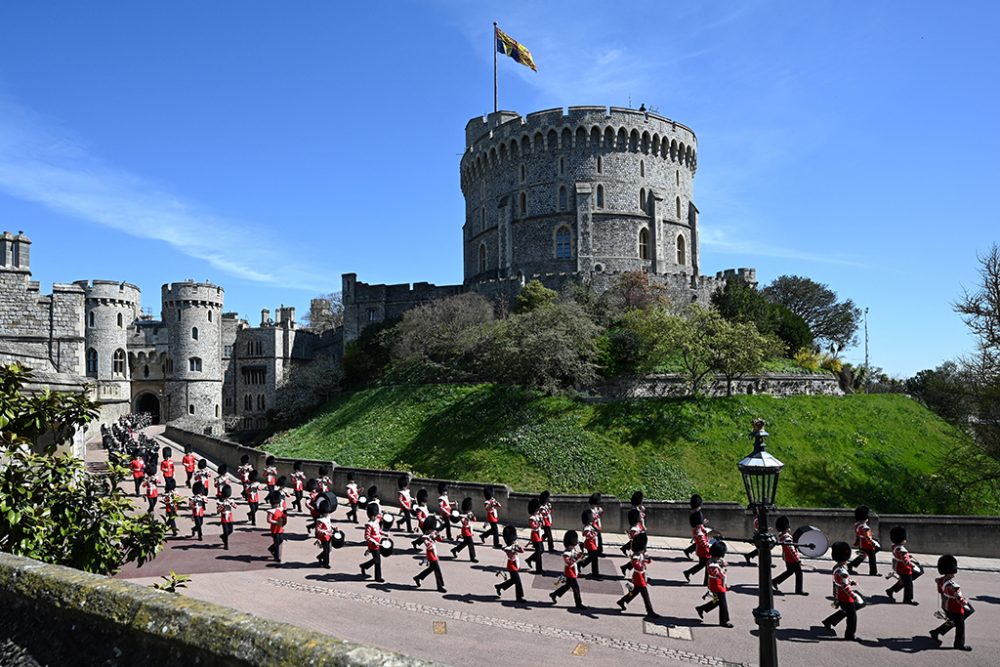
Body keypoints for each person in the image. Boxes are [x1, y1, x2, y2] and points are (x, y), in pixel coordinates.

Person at [930, 554, 974, 651]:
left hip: (946, 606)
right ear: (950, 572)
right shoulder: (954, 586)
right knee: (960, 627)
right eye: (952, 572)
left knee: (953, 622)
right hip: (956, 608)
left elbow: (940, 591)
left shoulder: (940, 581)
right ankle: (959, 644)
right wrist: (965, 602)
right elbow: (959, 599)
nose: (954, 575)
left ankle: (936, 632)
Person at [822, 541, 863, 641]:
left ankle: (829, 621)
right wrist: (853, 596)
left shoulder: (837, 568)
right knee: (852, 617)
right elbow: (845, 587)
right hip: (845, 597)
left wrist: (850, 581)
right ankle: (849, 635)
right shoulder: (842, 570)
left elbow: (841, 581)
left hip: (840, 595)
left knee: (848, 611)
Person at [617, 533, 658, 618]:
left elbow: (647, 561)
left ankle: (623, 600)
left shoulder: (640, 553)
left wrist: (647, 559)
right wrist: (643, 562)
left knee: (634, 592)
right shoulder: (636, 556)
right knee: (645, 594)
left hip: (642, 575)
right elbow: (636, 565)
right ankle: (650, 611)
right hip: (638, 576)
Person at [696, 541, 733, 627]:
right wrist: (723, 569)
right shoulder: (713, 565)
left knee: (717, 601)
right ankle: (724, 621)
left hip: (716, 584)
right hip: (717, 584)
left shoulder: (713, 560)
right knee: (723, 603)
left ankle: (702, 608)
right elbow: (718, 573)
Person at [550, 530, 585, 610]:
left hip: (573, 570)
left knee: (567, 586)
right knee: (576, 588)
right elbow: (569, 563)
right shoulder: (566, 553)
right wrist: (577, 558)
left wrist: (581, 555)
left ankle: (554, 594)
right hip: (569, 572)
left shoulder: (572, 549)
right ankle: (578, 604)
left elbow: (575, 556)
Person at [885, 525, 921, 604]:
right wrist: (912, 566)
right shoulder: (901, 549)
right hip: (904, 568)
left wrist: (908, 556)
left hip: (898, 566)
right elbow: (905, 561)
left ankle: (890, 590)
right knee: (909, 585)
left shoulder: (895, 546)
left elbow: (900, 556)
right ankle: (908, 599)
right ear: (902, 539)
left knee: (904, 582)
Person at [771, 516, 806, 595]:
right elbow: (792, 549)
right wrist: (798, 560)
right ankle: (799, 590)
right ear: (786, 527)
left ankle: (775, 581)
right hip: (792, 559)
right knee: (799, 574)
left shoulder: (782, 536)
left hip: (787, 558)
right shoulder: (787, 537)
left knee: (789, 572)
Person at [413, 516, 446, 592]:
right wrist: (431, 538)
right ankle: (440, 586)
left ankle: (418, 577)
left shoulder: (432, 533)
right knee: (437, 570)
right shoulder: (425, 537)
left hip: (434, 553)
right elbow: (429, 546)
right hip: (431, 555)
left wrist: (438, 536)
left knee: (431, 569)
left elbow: (440, 540)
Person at [495, 525, 526, 603]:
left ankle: (500, 586)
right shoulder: (508, 548)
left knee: (513, 580)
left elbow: (522, 551)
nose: (516, 541)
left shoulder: (514, 546)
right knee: (518, 582)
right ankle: (519, 597)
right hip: (511, 565)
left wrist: (519, 548)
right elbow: (507, 550)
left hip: (515, 564)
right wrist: (513, 548)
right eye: (514, 540)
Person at [848, 505, 880, 576]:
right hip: (867, 545)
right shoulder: (865, 527)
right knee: (872, 559)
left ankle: (851, 564)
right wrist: (873, 543)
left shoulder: (857, 525)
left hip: (861, 544)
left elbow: (858, 535)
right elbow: (867, 537)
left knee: (863, 555)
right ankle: (873, 572)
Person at [683, 511, 711, 585]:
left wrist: (703, 522)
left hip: (701, 550)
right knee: (707, 565)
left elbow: (701, 526)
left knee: (702, 564)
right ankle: (706, 582)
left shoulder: (698, 527)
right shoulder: (698, 530)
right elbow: (702, 540)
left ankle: (688, 572)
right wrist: (709, 545)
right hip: (704, 550)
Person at [360, 504, 385, 582]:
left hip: (378, 542)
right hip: (373, 545)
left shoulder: (376, 521)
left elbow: (378, 531)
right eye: (373, 516)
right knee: (378, 561)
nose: (374, 517)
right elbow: (367, 536)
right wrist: (373, 542)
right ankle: (378, 577)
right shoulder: (369, 525)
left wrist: (384, 533)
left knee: (376, 559)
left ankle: (364, 566)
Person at [451, 497, 478, 562]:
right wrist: (467, 517)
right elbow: (463, 521)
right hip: (465, 530)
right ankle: (472, 557)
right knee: (470, 543)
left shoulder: (469, 513)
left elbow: (475, 520)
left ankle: (455, 550)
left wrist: (472, 516)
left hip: (469, 529)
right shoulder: (461, 515)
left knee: (465, 543)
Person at [578, 509, 601, 579]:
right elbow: (587, 535)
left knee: (593, 558)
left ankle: (594, 572)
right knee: (593, 558)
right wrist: (593, 534)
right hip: (590, 543)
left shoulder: (590, 525)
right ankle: (595, 573)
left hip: (592, 543)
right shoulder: (587, 527)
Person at [524, 498, 545, 574]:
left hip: (539, 534)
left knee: (541, 550)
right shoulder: (532, 518)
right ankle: (539, 569)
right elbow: (533, 526)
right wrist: (539, 524)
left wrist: (542, 521)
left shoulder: (538, 516)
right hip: (535, 535)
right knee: (539, 551)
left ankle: (530, 559)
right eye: (537, 510)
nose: (538, 511)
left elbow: (541, 525)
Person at [620, 508, 644, 576]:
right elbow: (635, 539)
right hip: (636, 547)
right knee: (638, 561)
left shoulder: (637, 526)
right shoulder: (634, 529)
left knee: (640, 560)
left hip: (639, 546)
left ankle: (625, 567)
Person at [314, 495, 335, 569]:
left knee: (329, 549)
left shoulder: (328, 517)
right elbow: (318, 529)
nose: (328, 513)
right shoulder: (320, 520)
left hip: (329, 535)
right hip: (323, 537)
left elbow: (329, 525)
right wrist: (323, 532)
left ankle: (320, 557)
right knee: (326, 551)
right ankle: (326, 563)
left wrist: (333, 527)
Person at [265, 491, 286, 563]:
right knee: (277, 543)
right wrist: (276, 522)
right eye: (276, 503)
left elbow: (283, 516)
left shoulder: (280, 509)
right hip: (274, 529)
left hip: (280, 528)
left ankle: (271, 548)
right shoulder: (271, 511)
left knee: (281, 540)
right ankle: (276, 557)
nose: (277, 504)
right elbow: (269, 520)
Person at [684, 494, 703, 560]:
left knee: (699, 543)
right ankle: (689, 551)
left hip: (695, 530)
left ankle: (688, 551)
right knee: (701, 543)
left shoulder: (692, 512)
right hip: (698, 530)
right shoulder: (698, 513)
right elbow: (699, 524)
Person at [218, 484, 237, 550]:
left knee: (230, 530)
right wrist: (222, 506)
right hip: (224, 517)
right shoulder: (220, 502)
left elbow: (235, 507)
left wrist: (231, 503)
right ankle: (226, 545)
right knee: (226, 532)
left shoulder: (231, 500)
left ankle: (223, 536)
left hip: (230, 517)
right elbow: (218, 511)